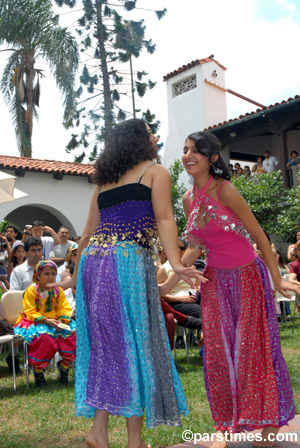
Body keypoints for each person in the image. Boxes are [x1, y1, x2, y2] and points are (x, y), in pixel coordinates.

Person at [53, 119, 200, 448]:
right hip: (127, 262)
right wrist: (176, 262)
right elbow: (164, 218)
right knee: (136, 347)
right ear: (138, 140)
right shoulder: (155, 171)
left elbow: (87, 233)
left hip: (94, 263)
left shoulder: (104, 180)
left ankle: (99, 432)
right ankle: (134, 442)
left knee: (107, 349)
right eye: (149, 131)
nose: (153, 135)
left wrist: (76, 275)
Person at [161, 131, 300, 448]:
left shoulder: (225, 191)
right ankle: (224, 429)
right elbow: (196, 245)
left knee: (256, 353)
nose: (187, 155)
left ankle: (268, 426)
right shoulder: (187, 199)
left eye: (194, 150)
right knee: (217, 356)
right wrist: (168, 283)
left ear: (211, 158)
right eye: (184, 150)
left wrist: (277, 279)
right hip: (215, 283)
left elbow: (259, 235)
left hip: (248, 277)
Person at [14, 260, 76, 387]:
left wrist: (61, 320)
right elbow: (29, 310)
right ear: (38, 274)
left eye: (53, 274)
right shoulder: (32, 290)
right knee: (44, 338)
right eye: (46, 274)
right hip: (36, 320)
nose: (50, 277)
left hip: (56, 321)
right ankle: (38, 372)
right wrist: (46, 321)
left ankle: (64, 367)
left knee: (72, 334)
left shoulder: (57, 288)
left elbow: (63, 307)